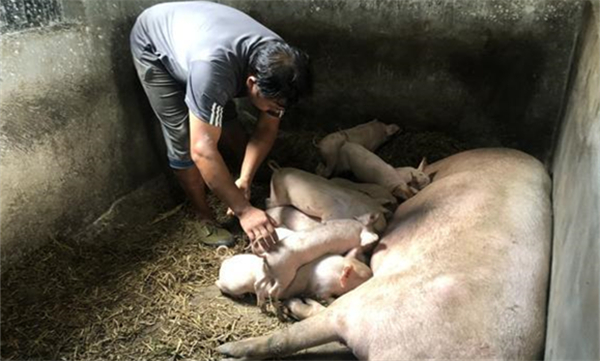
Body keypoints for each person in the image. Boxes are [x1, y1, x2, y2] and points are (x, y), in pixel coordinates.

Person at [130, 1, 311, 250]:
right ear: (251, 83)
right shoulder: (214, 72)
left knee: (225, 120)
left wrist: (245, 179)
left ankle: (241, 176)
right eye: (273, 106)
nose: (277, 113)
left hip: (204, 43)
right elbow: (201, 149)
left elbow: (266, 128)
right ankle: (202, 214)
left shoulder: (281, 63)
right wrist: (245, 210)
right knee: (183, 136)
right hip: (156, 47)